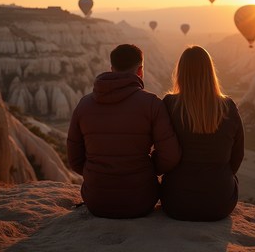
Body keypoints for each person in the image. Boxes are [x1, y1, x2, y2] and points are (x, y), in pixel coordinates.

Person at [67, 44, 181, 218]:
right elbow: (170, 155)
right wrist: (148, 169)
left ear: (112, 69)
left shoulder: (84, 105)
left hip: (97, 201)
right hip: (140, 200)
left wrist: (98, 173)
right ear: (140, 71)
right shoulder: (151, 104)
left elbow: (75, 159)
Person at [160, 45, 244, 221]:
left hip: (177, 202)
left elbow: (161, 150)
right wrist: (221, 174)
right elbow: (237, 154)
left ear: (180, 73)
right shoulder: (228, 106)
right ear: (210, 72)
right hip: (220, 203)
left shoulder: (169, 104)